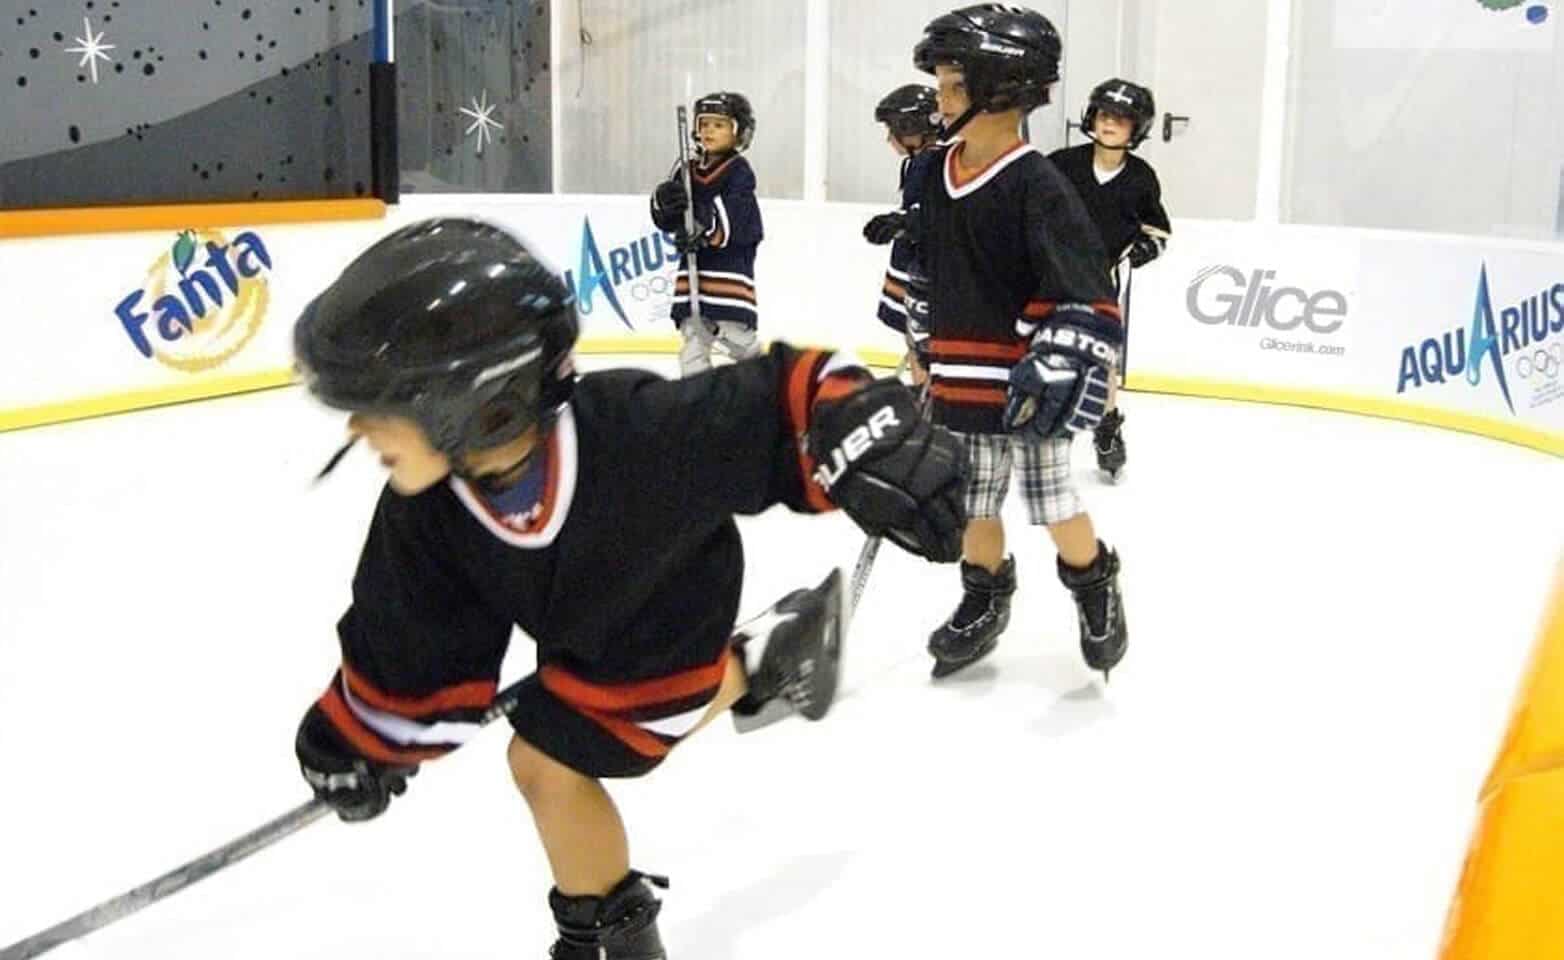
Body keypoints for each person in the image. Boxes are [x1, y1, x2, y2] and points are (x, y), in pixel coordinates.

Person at [289, 217, 967, 959]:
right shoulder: (425, 512)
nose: (357, 426)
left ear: (474, 402)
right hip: (578, 629)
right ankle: (769, 660)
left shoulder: (634, 431)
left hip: (665, 613)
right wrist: (363, 736)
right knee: (561, 738)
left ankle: (612, 939)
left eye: (382, 404)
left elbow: (780, 397)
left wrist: (865, 429)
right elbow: (412, 634)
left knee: (546, 763)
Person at [907, 4, 1130, 681]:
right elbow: (930, 265)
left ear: (998, 90)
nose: (938, 99)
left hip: (1026, 385)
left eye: (951, 85)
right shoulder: (931, 174)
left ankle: (1096, 587)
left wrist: (1059, 359)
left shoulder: (1040, 186)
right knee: (974, 500)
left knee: (1051, 500)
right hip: (961, 377)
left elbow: (1084, 289)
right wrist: (920, 340)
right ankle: (983, 597)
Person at [1048, 78, 1172, 481]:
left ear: (1137, 129)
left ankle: (1107, 428)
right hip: (1048, 275)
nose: (1109, 125)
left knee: (1102, 360)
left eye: (1121, 119)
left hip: (1102, 283)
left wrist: (1145, 249)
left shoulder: (1140, 178)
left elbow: (1157, 231)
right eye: (1104, 115)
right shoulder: (1062, 164)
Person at [649, 91, 765, 376]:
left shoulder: (739, 170)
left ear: (739, 132)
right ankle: (698, 396)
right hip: (694, 273)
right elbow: (670, 219)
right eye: (704, 124)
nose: (709, 131)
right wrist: (665, 204)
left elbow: (738, 215)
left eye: (719, 125)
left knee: (738, 339)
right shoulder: (686, 171)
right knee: (693, 340)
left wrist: (701, 223)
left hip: (727, 271)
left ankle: (767, 377)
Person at [862, 83, 944, 383]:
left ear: (910, 126)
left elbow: (935, 212)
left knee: (920, 338)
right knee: (913, 335)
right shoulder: (920, 161)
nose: (888, 138)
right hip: (912, 262)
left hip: (923, 266)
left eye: (891, 129)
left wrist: (903, 222)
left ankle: (926, 396)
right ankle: (922, 389)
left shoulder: (932, 160)